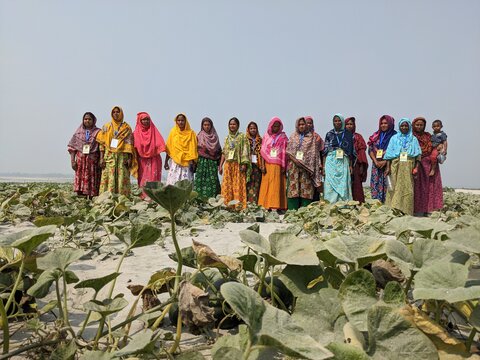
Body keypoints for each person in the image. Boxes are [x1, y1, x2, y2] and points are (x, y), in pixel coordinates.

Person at [96, 106, 137, 196]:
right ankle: (107, 199)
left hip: (122, 156)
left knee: (122, 177)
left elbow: (130, 144)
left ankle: (122, 198)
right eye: (114, 112)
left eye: (118, 112)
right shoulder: (106, 127)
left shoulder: (126, 128)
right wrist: (101, 158)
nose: (116, 114)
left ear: (121, 113)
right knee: (108, 177)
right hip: (109, 156)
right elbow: (102, 144)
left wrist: (130, 158)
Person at [384, 118, 421, 215]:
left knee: (407, 188)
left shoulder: (413, 139)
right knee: (393, 188)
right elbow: (388, 154)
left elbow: (418, 155)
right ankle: (393, 209)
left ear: (409, 127)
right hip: (395, 166)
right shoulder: (394, 138)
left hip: (408, 166)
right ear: (399, 127)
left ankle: (406, 211)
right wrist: (388, 167)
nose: (404, 127)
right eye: (402, 126)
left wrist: (416, 168)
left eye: (406, 126)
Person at [286, 117, 322, 210]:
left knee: (306, 188)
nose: (301, 126)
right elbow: (288, 151)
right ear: (297, 125)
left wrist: (311, 166)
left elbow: (315, 154)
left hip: (307, 168)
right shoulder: (293, 136)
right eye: (300, 124)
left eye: (303, 124)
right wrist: (295, 161)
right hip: (294, 166)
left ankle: (305, 210)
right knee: (293, 188)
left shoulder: (312, 137)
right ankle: (292, 210)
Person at [412, 117, 443, 215]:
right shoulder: (411, 137)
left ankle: (430, 209)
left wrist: (440, 147)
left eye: (421, 125)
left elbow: (436, 145)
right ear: (413, 125)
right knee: (417, 188)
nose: (419, 126)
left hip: (429, 165)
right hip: (417, 163)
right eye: (417, 125)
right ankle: (417, 210)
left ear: (424, 126)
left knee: (430, 187)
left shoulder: (429, 136)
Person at [219, 117, 250, 209]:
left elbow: (245, 149)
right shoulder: (227, 138)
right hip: (228, 165)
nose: (232, 126)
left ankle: (239, 206)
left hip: (238, 164)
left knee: (238, 186)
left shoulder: (242, 136)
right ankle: (227, 206)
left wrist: (244, 163)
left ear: (238, 125)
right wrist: (221, 165)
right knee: (227, 186)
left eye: (234, 124)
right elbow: (224, 152)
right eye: (230, 124)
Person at [68, 112, 101, 198]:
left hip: (92, 163)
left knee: (92, 181)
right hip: (80, 162)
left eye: (89, 119)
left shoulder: (98, 132)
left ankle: (91, 198)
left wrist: (102, 159)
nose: (87, 121)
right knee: (80, 180)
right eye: (85, 119)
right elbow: (72, 148)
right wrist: (72, 161)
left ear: (93, 121)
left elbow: (102, 147)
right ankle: (80, 197)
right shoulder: (78, 132)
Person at [258, 117, 288, 211]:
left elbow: (285, 152)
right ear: (271, 126)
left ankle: (277, 206)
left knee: (277, 185)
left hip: (278, 165)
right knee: (267, 184)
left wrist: (284, 165)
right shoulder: (266, 136)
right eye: (274, 126)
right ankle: (266, 205)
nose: (275, 128)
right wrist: (262, 165)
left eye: (277, 126)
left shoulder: (283, 137)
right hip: (267, 164)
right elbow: (262, 152)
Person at [322, 114, 354, 203]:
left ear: (342, 122)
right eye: (335, 121)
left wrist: (351, 166)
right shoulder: (329, 134)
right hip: (331, 161)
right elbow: (325, 151)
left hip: (343, 161)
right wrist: (324, 167)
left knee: (343, 183)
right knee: (329, 184)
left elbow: (351, 152)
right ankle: (330, 204)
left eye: (339, 120)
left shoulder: (348, 134)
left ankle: (343, 205)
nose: (337, 122)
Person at [133, 112, 166, 198]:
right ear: (140, 121)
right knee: (143, 180)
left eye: (147, 119)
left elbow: (161, 145)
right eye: (143, 119)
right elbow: (133, 147)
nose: (146, 121)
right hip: (141, 161)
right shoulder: (135, 133)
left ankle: (154, 199)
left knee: (153, 180)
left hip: (154, 160)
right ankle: (143, 199)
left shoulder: (154, 131)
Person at [367, 115, 397, 203]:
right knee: (376, 184)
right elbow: (370, 149)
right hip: (376, 165)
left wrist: (385, 161)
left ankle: (388, 203)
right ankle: (376, 203)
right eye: (382, 123)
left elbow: (396, 151)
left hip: (389, 165)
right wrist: (376, 161)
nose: (383, 125)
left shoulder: (395, 136)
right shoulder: (376, 135)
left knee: (389, 184)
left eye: (386, 123)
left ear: (390, 124)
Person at [165, 113, 198, 185]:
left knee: (186, 184)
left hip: (187, 162)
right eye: (178, 120)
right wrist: (166, 162)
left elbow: (193, 149)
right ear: (176, 121)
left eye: (182, 120)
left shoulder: (191, 133)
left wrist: (194, 163)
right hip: (175, 162)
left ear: (185, 121)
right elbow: (169, 148)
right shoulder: (173, 132)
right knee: (173, 183)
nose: (180, 122)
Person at [194, 117, 222, 199]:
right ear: (202, 126)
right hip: (201, 162)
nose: (207, 126)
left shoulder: (215, 137)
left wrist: (219, 165)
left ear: (211, 126)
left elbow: (219, 151)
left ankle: (213, 201)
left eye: (208, 125)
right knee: (200, 182)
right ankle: (199, 201)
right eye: (205, 125)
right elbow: (195, 149)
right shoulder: (199, 136)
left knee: (212, 182)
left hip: (212, 163)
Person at [345, 117, 368, 203]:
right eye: (347, 124)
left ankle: (358, 203)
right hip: (344, 163)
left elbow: (362, 151)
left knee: (356, 184)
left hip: (356, 164)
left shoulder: (358, 137)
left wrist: (362, 165)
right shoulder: (342, 137)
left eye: (351, 124)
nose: (349, 126)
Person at [305, 116, 324, 200]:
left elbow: (322, 151)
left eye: (310, 123)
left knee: (315, 184)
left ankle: (315, 201)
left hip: (315, 164)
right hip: (303, 164)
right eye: (307, 123)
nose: (308, 125)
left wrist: (322, 165)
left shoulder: (317, 137)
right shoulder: (300, 137)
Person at [246, 121, 265, 204]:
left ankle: (256, 204)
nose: (253, 130)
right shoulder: (245, 139)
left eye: (254, 128)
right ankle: (248, 204)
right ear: (248, 130)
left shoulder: (261, 140)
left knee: (257, 184)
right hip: (248, 166)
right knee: (248, 184)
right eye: (251, 128)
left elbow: (264, 153)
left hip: (258, 165)